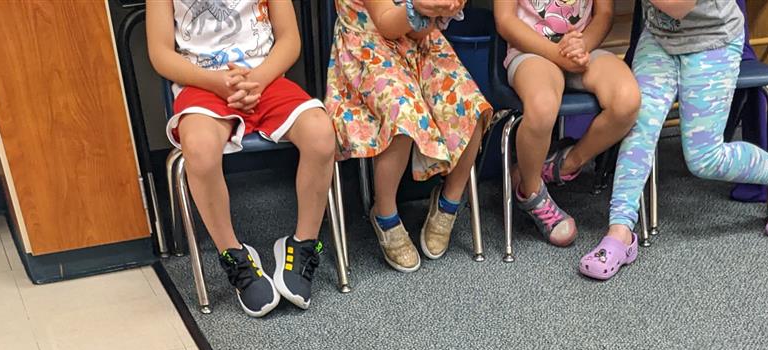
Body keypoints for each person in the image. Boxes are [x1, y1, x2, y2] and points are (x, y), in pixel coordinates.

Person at [591, 0, 768, 281]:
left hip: (712, 41)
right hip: (659, 38)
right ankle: (620, 231)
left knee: (704, 159)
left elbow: (676, 5)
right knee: (638, 131)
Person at [147, 0, 337, 317]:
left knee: (321, 134)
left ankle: (304, 244)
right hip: (202, 84)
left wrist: (257, 80)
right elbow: (160, 53)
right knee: (200, 149)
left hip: (266, 78)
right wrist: (215, 83)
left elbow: (290, 40)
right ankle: (234, 254)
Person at [325, 1, 491, 272]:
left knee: (470, 108)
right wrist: (423, 7)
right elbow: (387, 24)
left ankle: (449, 202)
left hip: (419, 45)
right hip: (367, 48)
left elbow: (417, 32)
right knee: (403, 116)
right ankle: (385, 214)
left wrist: (443, 9)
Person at [493, 1, 640, 257]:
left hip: (583, 51)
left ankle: (564, 165)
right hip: (532, 51)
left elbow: (604, 14)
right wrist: (557, 54)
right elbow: (505, 20)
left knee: (627, 100)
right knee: (542, 106)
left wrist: (583, 46)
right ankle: (530, 190)